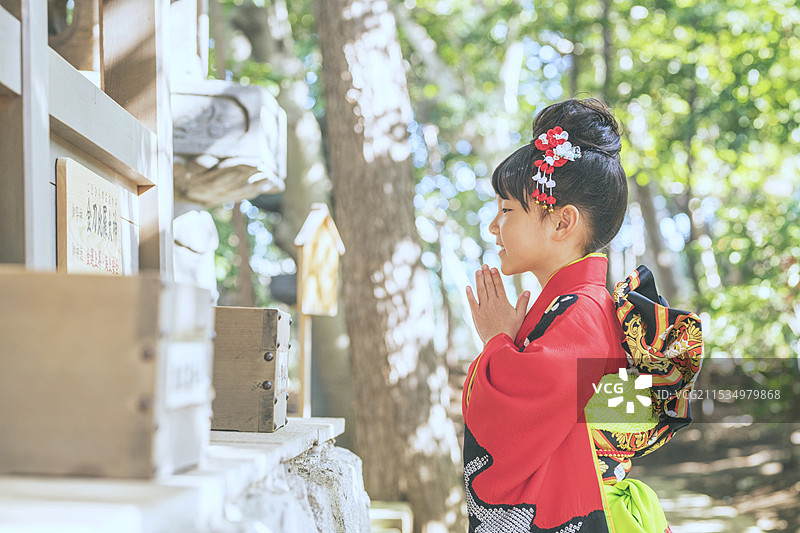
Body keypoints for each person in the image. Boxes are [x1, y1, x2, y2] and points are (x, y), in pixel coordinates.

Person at [463, 98, 703, 533]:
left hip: (588, 511)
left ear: (562, 222)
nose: (494, 226)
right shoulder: (582, 308)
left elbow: (534, 402)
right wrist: (515, 344)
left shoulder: (583, 311)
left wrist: (499, 344)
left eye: (506, 210)